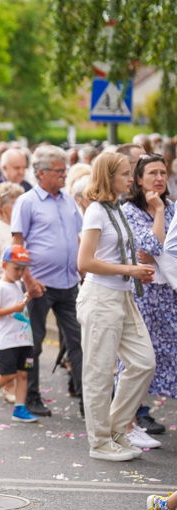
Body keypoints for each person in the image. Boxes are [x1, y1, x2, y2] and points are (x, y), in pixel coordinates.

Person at [77, 152, 155, 462]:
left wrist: (136, 268)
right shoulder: (96, 211)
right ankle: (99, 442)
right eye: (124, 173)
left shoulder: (116, 209)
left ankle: (116, 428)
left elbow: (115, 254)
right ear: (108, 177)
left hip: (122, 297)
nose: (131, 178)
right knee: (98, 374)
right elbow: (85, 263)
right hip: (101, 299)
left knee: (143, 362)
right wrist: (131, 271)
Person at [11, 145, 84, 418]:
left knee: (79, 341)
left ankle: (86, 398)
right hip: (39, 285)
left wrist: (83, 270)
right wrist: (28, 279)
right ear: (41, 173)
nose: (64, 175)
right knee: (34, 343)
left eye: (65, 170)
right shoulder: (27, 202)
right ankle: (31, 396)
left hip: (69, 283)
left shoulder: (68, 200)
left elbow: (78, 237)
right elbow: (17, 245)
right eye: (58, 170)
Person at [120, 153, 176, 442]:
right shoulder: (130, 211)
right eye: (152, 173)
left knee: (160, 359)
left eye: (163, 173)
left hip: (168, 294)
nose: (159, 178)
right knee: (136, 359)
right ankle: (126, 424)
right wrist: (156, 213)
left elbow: (165, 250)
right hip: (143, 293)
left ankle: (134, 419)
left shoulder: (172, 208)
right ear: (139, 180)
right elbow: (152, 246)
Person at [0, 245, 39, 423]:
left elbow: (18, 307)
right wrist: (16, 307)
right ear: (4, 265)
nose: (20, 272)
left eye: (23, 269)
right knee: (8, 374)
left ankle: (20, 408)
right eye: (16, 268)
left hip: (24, 339)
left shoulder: (17, 285)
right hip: (7, 340)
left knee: (23, 374)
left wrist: (28, 295)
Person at [0, 148, 32, 221]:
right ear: (4, 167)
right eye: (17, 168)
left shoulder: (28, 188)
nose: (21, 172)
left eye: (24, 168)